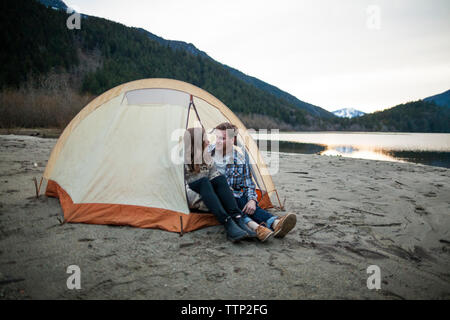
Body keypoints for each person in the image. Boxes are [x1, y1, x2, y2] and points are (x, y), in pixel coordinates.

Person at [208, 122, 297, 239]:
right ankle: (270, 222)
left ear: (232, 140)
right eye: (217, 137)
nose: (218, 141)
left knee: (241, 199)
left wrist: (252, 200)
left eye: (222, 138)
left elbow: (248, 184)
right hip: (216, 194)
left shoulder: (239, 159)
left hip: (235, 197)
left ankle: (271, 225)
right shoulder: (207, 152)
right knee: (233, 198)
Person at [184, 127, 272, 242]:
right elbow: (182, 188)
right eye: (205, 139)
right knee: (204, 182)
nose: (209, 141)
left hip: (208, 193)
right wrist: (210, 198)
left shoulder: (207, 156)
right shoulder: (181, 160)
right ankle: (228, 222)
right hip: (193, 197)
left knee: (219, 178)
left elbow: (214, 175)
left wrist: (224, 193)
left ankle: (238, 219)